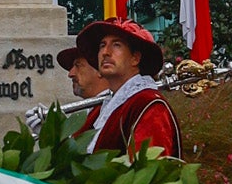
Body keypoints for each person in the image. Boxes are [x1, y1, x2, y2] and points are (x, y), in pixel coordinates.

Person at [74, 15, 182, 161]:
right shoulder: (100, 109)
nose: (106, 52)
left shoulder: (148, 105)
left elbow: (146, 174)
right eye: (102, 45)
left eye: (116, 45)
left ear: (135, 58)